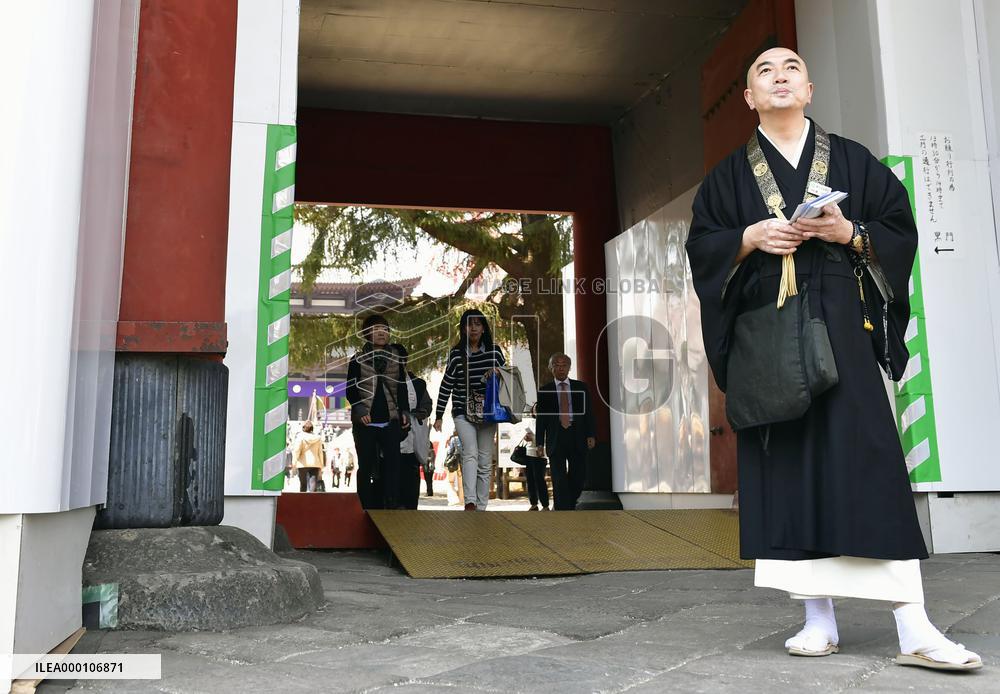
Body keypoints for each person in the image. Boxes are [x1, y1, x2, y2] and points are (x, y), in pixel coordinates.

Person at [685, 47, 981, 670]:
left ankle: (914, 625)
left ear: (810, 87)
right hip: (767, 334)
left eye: (790, 68)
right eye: (764, 71)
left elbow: (897, 226)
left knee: (870, 458)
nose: (779, 77)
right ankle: (817, 617)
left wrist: (849, 233)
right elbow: (703, 248)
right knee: (788, 465)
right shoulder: (726, 178)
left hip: (841, 324)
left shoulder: (850, 159)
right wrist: (748, 238)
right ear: (748, 97)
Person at [434, 309, 506, 511]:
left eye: (477, 324)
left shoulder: (495, 352)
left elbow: (509, 379)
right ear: (463, 329)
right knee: (470, 453)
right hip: (462, 411)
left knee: (484, 458)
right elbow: (446, 384)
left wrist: (499, 371)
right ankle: (470, 502)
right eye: (469, 324)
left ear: (483, 328)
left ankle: (482, 506)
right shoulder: (456, 354)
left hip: (488, 412)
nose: (473, 328)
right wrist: (439, 415)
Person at [346, 314, 410, 510]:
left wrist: (404, 411)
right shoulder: (357, 359)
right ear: (367, 334)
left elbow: (401, 387)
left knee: (392, 464)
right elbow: (350, 388)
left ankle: (391, 502)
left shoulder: (396, 357)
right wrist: (359, 408)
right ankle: (364, 504)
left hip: (390, 419)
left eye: (385, 329)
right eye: (376, 329)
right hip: (365, 421)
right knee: (366, 465)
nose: (382, 333)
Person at [535, 353, 596, 511]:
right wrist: (539, 443)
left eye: (564, 365)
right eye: (556, 365)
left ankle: (569, 502)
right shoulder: (545, 390)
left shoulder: (581, 387)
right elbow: (541, 419)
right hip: (556, 436)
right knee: (558, 477)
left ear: (569, 368)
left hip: (577, 434)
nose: (560, 368)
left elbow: (588, 412)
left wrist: (591, 434)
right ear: (551, 368)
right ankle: (563, 510)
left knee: (578, 475)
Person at [394, 344, 433, 510]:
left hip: (412, 443)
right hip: (390, 444)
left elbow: (427, 405)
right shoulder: (383, 383)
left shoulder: (418, 384)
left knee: (410, 485)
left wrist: (417, 414)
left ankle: (410, 513)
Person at [291, 421, 324, 492]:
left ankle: (302, 501)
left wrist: (294, 462)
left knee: (303, 484)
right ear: (312, 429)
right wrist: (321, 465)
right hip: (315, 463)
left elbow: (297, 451)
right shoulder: (318, 438)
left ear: (303, 428)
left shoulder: (300, 437)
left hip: (302, 464)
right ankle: (312, 500)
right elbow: (320, 452)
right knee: (313, 484)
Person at [521, 426, 549, 511]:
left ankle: (545, 505)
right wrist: (526, 437)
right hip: (529, 453)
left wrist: (533, 438)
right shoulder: (531, 422)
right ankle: (533, 503)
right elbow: (527, 438)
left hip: (540, 454)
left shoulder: (546, 421)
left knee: (539, 479)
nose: (534, 411)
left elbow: (545, 438)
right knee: (530, 480)